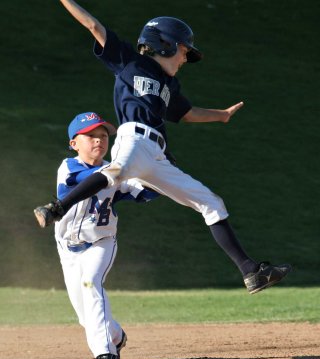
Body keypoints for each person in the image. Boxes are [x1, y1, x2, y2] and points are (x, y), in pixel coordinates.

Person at [34, 0, 291, 295]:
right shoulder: (130, 61)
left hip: (156, 155)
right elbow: (93, 26)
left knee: (212, 203)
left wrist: (221, 115)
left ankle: (250, 272)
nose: (185, 58)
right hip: (133, 138)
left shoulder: (170, 86)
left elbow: (188, 113)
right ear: (165, 44)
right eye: (184, 51)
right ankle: (56, 208)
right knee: (113, 173)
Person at [53, 111, 159, 359]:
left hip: (101, 243)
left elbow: (145, 193)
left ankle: (106, 355)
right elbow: (91, 180)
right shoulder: (68, 167)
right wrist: (127, 168)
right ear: (74, 143)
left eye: (102, 136)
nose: (99, 140)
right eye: (90, 136)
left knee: (91, 283)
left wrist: (156, 170)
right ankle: (116, 335)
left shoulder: (117, 172)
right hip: (68, 247)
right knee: (84, 317)